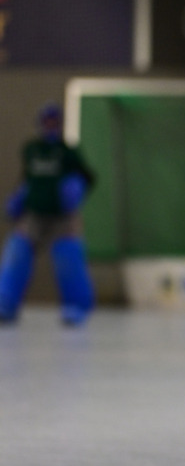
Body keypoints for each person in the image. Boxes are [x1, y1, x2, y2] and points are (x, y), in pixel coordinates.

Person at [0, 103, 96, 325]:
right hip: (33, 214)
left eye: (55, 122)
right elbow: (28, 178)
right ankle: (5, 302)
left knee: (68, 258)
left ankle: (76, 306)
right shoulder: (31, 150)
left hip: (62, 216)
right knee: (17, 252)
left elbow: (88, 176)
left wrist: (78, 186)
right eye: (47, 122)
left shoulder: (68, 152)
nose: (50, 126)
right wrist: (20, 196)